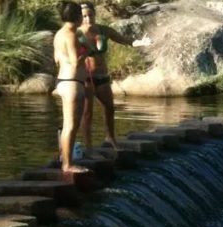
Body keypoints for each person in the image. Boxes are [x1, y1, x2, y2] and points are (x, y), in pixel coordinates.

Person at [79, 2, 151, 159]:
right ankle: (88, 146)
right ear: (80, 17)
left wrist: (139, 43)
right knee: (87, 114)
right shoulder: (77, 34)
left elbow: (123, 39)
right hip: (86, 79)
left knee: (110, 108)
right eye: (84, 16)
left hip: (102, 76)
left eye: (90, 14)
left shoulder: (104, 30)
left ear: (94, 14)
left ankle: (110, 138)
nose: (88, 18)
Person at [54, 1, 89, 173]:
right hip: (72, 83)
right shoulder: (71, 35)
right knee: (71, 125)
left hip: (64, 81)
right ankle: (67, 164)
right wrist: (87, 51)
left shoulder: (59, 34)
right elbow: (76, 63)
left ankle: (66, 160)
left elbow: (57, 59)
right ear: (77, 16)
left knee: (70, 125)